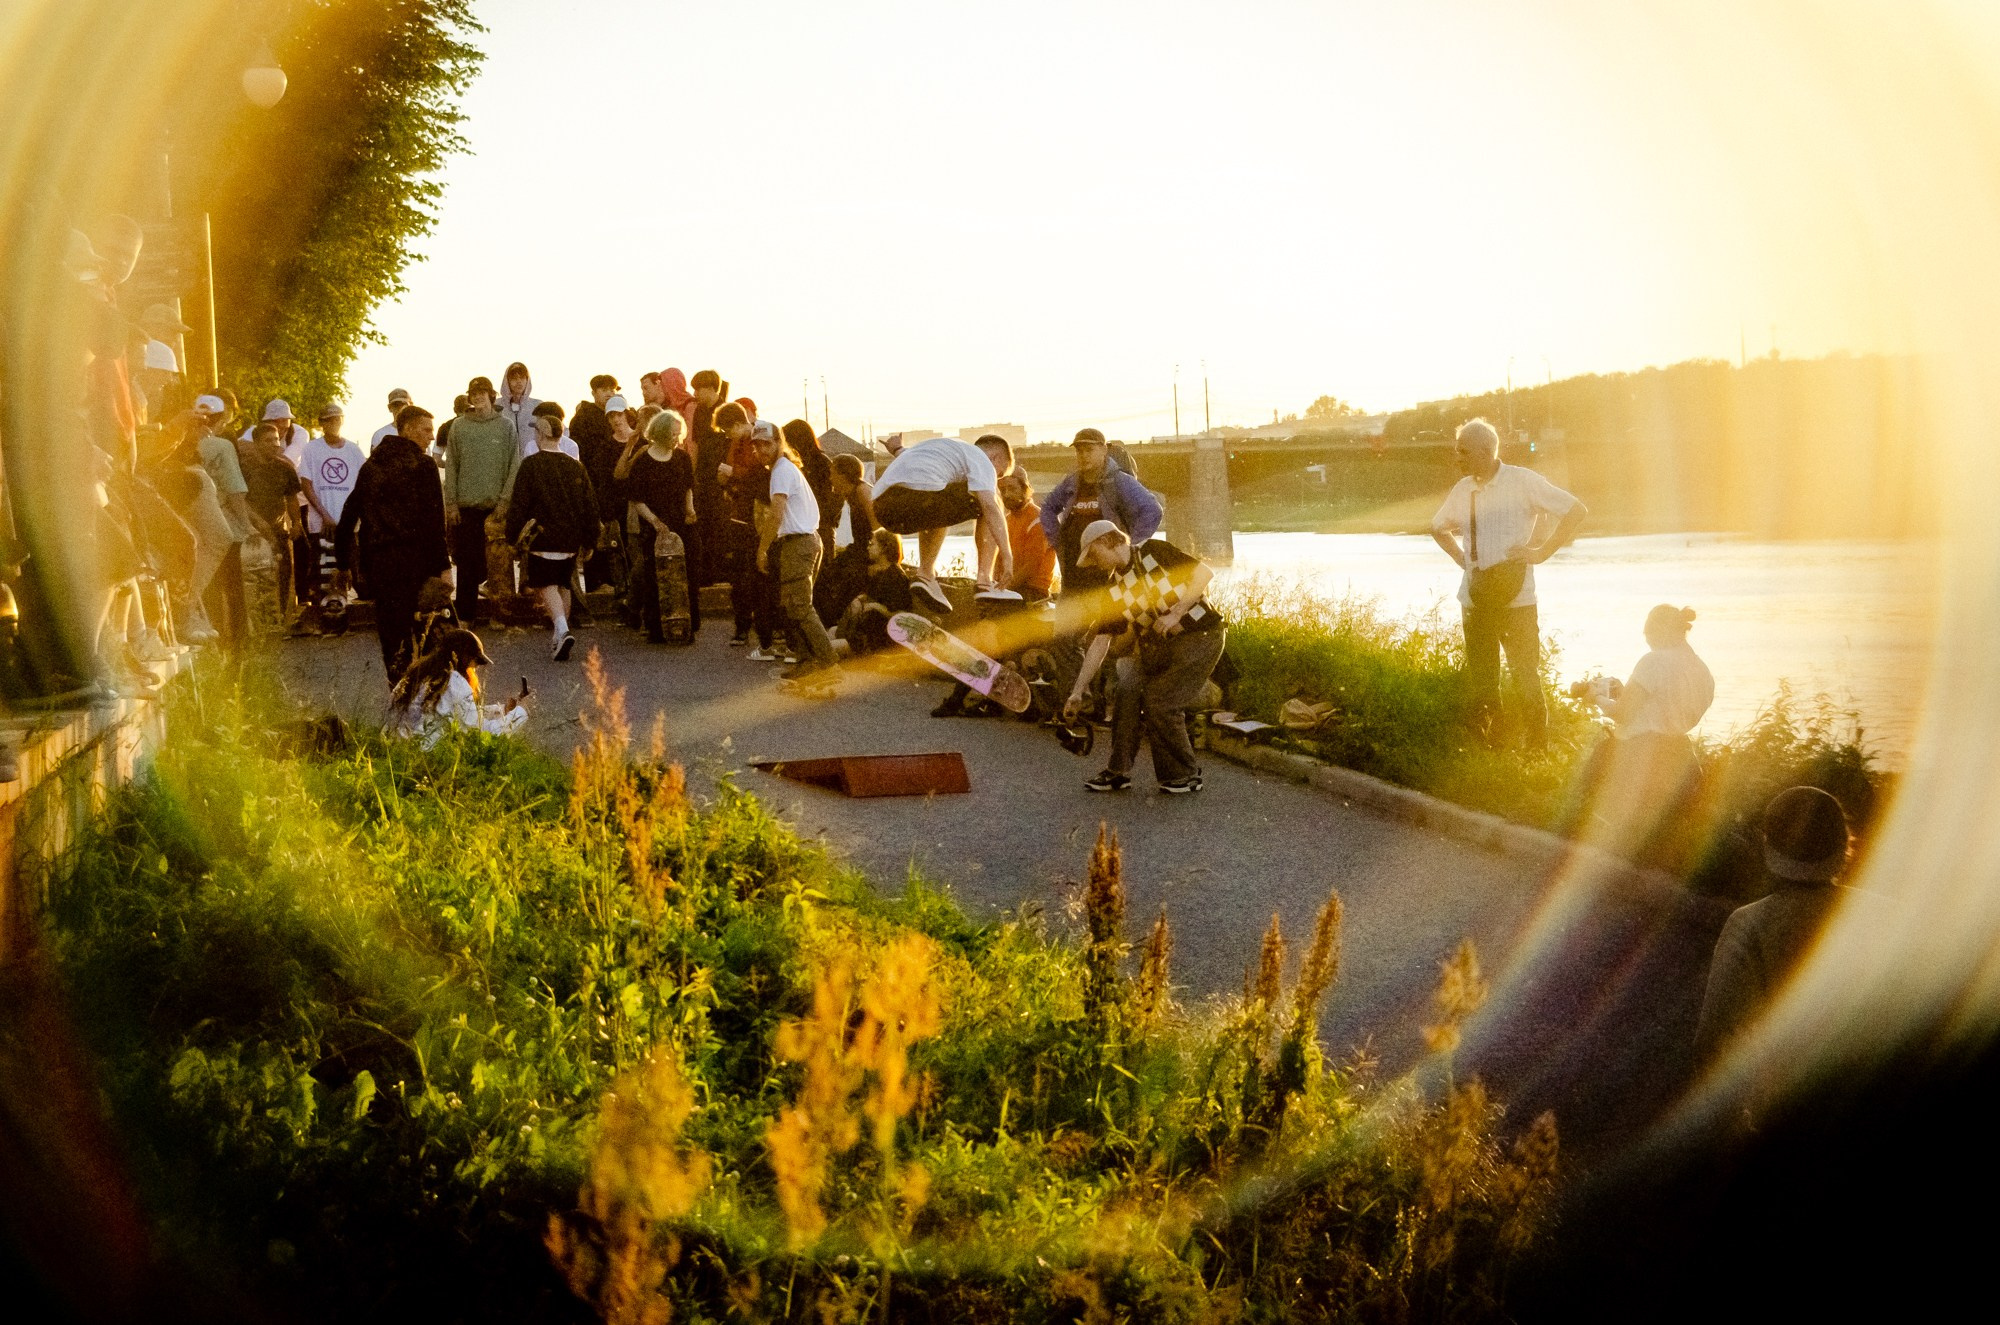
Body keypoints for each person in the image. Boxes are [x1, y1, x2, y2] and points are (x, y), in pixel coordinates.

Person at [1429, 416, 1587, 747]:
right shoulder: (1463, 489)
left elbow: (1576, 511)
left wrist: (1541, 552)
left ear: (1485, 451)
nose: (1457, 458)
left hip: (1518, 601)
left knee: (1525, 675)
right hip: (1474, 599)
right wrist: (1461, 559)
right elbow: (1438, 527)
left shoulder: (1523, 481)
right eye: (1457, 451)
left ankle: (1536, 749)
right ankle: (1494, 745)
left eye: (1463, 451)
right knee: (1483, 679)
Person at [1694, 786, 1861, 1061]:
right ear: (1845, 842)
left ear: (1767, 844)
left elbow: (1712, 1038)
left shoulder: (1749, 922)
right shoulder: (1882, 912)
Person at [1063, 522, 1226, 795]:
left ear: (1106, 542)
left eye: (1093, 556)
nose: (1094, 564)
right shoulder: (1114, 589)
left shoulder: (1154, 550)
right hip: (1159, 646)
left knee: (1161, 701)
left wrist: (1176, 613)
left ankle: (1185, 774)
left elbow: (1204, 573)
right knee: (1127, 689)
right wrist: (1078, 691)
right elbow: (1101, 641)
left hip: (1201, 635)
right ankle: (1118, 772)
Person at [1565, 604, 1718, 864]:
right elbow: (1669, 711)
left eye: (1649, 636)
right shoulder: (1705, 674)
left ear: (1661, 630)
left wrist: (1596, 697)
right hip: (1680, 754)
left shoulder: (1653, 661)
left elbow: (1623, 714)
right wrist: (1627, 695)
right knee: (1654, 830)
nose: (1648, 643)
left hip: (1638, 752)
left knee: (1589, 797)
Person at [334, 404, 449, 682]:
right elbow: (435, 522)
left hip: (380, 567)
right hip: (417, 565)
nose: (431, 437)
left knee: (393, 638)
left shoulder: (371, 467)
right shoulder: (423, 465)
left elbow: (348, 516)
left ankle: (400, 692)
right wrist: (444, 567)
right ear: (407, 429)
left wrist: (343, 563)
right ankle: (429, 694)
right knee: (428, 635)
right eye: (426, 430)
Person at [870, 434, 1014, 610]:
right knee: (992, 501)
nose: (995, 480)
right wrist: (1007, 555)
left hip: (884, 509)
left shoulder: (942, 451)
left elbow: (913, 468)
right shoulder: (982, 459)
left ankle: (926, 575)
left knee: (939, 496)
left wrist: (896, 448)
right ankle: (984, 582)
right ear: (995, 458)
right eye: (999, 474)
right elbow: (990, 507)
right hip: (921, 498)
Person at [504, 412, 598, 661]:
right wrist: (590, 539)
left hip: (543, 536)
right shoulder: (575, 465)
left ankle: (562, 629)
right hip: (570, 538)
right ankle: (559, 637)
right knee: (563, 584)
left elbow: (519, 504)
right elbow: (589, 505)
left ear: (541, 434)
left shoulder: (531, 465)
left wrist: (512, 536)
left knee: (545, 585)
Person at [756, 422, 839, 682]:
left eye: (766, 444)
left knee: (800, 607)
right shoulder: (785, 468)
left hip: (799, 543)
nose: (761, 450)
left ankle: (828, 664)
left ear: (778, 443)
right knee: (794, 607)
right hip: (805, 541)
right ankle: (807, 661)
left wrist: (762, 549)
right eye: (756, 446)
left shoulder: (781, 470)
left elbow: (776, 513)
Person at [1040, 428, 1162, 601]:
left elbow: (1152, 510)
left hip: (1106, 577)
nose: (1083, 456)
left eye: (1089, 450)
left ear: (1104, 450)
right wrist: (1057, 541)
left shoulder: (1119, 481)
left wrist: (1132, 548)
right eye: (1079, 451)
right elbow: (1047, 508)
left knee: (1104, 618)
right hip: (1073, 575)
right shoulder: (1072, 482)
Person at [443, 376, 523, 625]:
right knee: (467, 566)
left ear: (491, 395)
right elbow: (451, 466)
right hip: (467, 507)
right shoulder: (459, 427)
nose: (477, 397)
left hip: (496, 508)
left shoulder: (505, 426)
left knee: (499, 567)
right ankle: (465, 617)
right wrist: (451, 503)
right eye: (473, 394)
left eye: (482, 393)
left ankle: (500, 615)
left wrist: (505, 502)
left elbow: (514, 466)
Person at [617, 410, 699, 643]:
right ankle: (658, 627)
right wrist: (654, 521)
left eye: (678, 433)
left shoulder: (682, 458)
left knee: (688, 574)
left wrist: (690, 509)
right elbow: (637, 499)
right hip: (654, 525)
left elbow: (688, 487)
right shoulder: (644, 461)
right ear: (661, 433)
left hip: (683, 524)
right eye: (672, 434)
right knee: (655, 577)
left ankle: (687, 625)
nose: (677, 438)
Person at [390, 627, 529, 747]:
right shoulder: (455, 683)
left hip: (396, 749)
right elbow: (481, 733)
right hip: (425, 758)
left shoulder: (417, 674)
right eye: (475, 663)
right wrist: (521, 711)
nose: (475, 670)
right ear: (464, 658)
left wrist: (503, 710)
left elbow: (457, 713)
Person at [193, 396, 252, 655]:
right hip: (222, 521)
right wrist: (247, 525)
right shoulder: (222, 446)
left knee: (207, 588)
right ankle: (238, 645)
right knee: (233, 587)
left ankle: (211, 642)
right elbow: (235, 489)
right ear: (221, 419)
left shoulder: (184, 443)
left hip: (191, 524)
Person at [235, 419, 303, 632]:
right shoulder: (244, 468)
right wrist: (257, 524)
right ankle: (257, 624)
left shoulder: (285, 467)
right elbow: (240, 500)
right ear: (256, 443)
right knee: (256, 578)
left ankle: (280, 619)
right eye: (268, 440)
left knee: (283, 574)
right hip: (251, 532)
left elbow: (292, 498)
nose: (274, 444)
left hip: (279, 530)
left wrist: (297, 522)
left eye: (276, 440)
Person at [573, 377, 624, 594]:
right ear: (594, 392)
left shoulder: (616, 414)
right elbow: (581, 455)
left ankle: (615, 580)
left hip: (614, 485)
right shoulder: (583, 418)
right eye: (604, 389)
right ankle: (597, 581)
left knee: (614, 533)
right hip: (593, 482)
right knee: (596, 531)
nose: (609, 393)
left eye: (612, 389)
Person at [815, 452, 878, 624]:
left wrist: (878, 559)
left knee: (840, 582)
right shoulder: (850, 494)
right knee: (826, 576)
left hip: (869, 551)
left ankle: (832, 624)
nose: (830, 479)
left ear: (843, 475)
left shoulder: (862, 491)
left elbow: (878, 527)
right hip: (859, 548)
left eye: (832, 473)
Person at [833, 527, 915, 656]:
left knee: (827, 647)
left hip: (878, 640)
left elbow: (902, 615)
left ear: (884, 548)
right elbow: (874, 596)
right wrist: (861, 599)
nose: (868, 548)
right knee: (829, 634)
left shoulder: (897, 577)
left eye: (872, 544)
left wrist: (876, 607)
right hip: (863, 632)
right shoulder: (879, 572)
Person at [1000, 470, 1058, 602]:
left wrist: (1003, 589)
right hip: (1012, 588)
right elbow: (998, 560)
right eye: (1003, 490)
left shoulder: (1038, 520)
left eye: (1012, 489)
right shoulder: (1006, 520)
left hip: (1033, 591)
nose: (1006, 494)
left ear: (1025, 489)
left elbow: (1031, 566)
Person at [498, 361, 542, 459]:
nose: (519, 381)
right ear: (507, 381)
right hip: (504, 462)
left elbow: (560, 432)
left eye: (522, 378)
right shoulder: (496, 407)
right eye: (514, 378)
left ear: (527, 380)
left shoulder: (538, 406)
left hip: (532, 463)